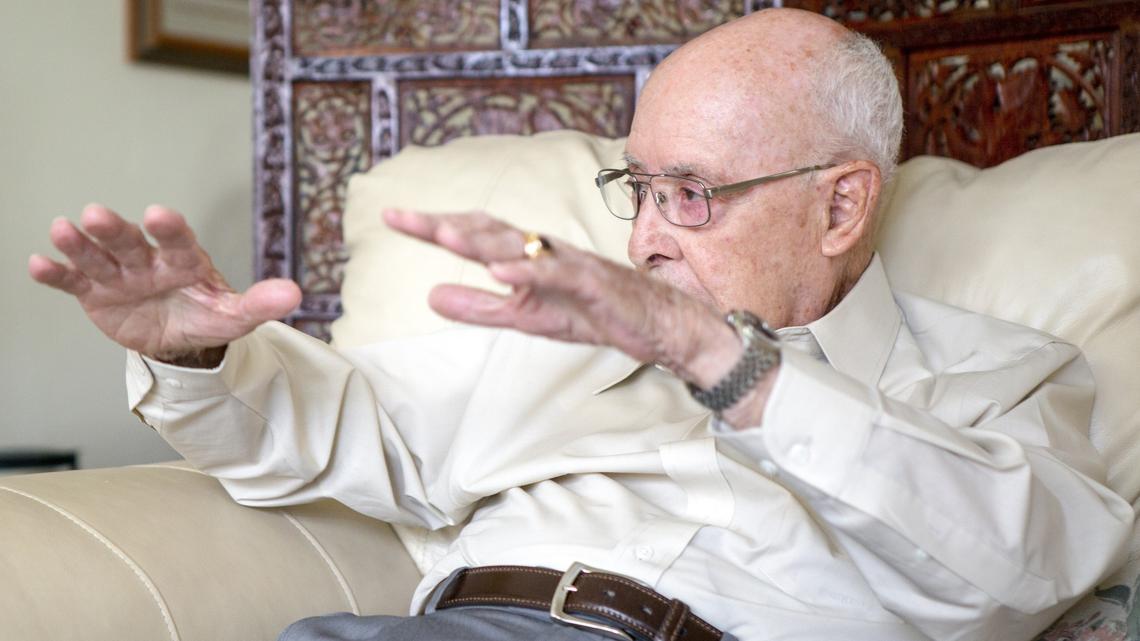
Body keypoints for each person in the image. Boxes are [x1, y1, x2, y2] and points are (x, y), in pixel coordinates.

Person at [28, 8, 1133, 641]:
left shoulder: (1000, 378)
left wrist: (717, 358)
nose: (646, 237)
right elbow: (328, 425)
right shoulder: (557, 339)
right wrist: (195, 350)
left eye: (690, 194)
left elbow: (1026, 564)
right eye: (637, 189)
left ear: (840, 206)